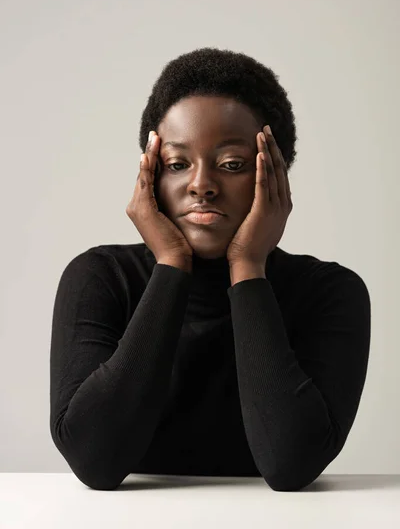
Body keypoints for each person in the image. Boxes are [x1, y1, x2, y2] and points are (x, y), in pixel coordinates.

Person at [49, 47, 371, 492]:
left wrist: (248, 265)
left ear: (275, 174)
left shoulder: (330, 292)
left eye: (232, 165)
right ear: (151, 177)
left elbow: (290, 465)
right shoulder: (100, 278)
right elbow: (95, 463)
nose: (201, 185)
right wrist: (171, 264)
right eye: (177, 164)